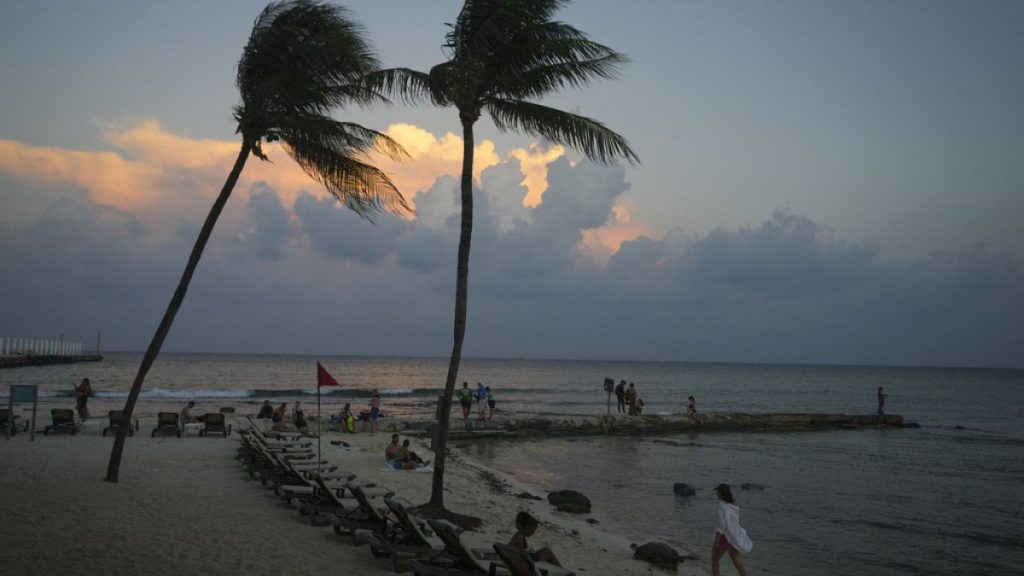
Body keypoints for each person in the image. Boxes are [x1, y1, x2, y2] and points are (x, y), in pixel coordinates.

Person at [712, 484, 752, 576]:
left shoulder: (721, 506)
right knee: (738, 564)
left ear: (721, 494)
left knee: (715, 561)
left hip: (723, 537)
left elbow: (721, 524)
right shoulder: (734, 504)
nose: (716, 493)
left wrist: (717, 540)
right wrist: (741, 488)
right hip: (734, 537)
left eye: (717, 492)